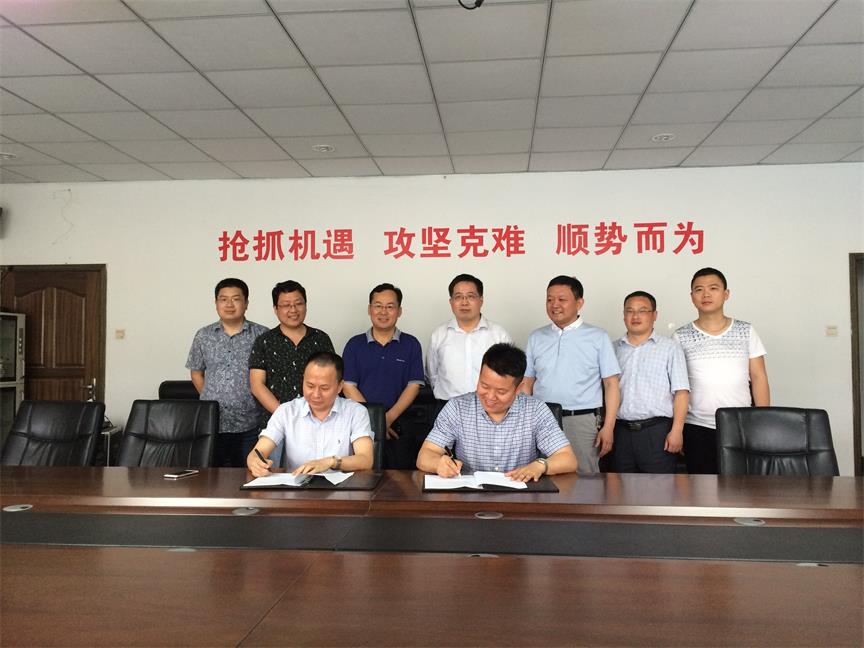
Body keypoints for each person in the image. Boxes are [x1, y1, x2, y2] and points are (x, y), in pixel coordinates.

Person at [417, 343, 577, 481]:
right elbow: (425, 455)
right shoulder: (457, 408)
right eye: (484, 386)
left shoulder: (536, 411)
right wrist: (438, 464)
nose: (490, 397)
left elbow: (568, 459)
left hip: (521, 497)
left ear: (518, 388)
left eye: (501, 391)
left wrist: (541, 465)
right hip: (470, 497)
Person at [521, 275, 621, 475]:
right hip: (542, 419)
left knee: (584, 478)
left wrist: (609, 427)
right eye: (550, 299)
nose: (554, 305)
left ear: (579, 303)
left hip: (581, 420)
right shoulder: (536, 337)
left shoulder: (598, 337)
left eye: (562, 299)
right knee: (542, 474)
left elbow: (611, 385)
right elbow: (526, 383)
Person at [674, 267, 770, 474]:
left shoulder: (746, 330)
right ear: (692, 297)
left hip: (741, 423)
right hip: (697, 425)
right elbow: (677, 386)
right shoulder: (680, 336)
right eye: (699, 289)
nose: (706, 294)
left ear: (726, 294)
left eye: (713, 288)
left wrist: (762, 420)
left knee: (742, 487)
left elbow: (758, 376)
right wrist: (677, 428)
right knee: (702, 487)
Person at [246, 352, 373, 476]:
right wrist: (255, 463)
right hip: (296, 486)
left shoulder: (356, 412)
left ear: (340, 387)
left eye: (324, 388)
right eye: (310, 386)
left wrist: (330, 462)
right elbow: (258, 451)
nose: (316, 394)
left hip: (342, 487)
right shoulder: (286, 411)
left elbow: (366, 459)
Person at [341, 283, 425, 468]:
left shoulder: (411, 344)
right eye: (378, 306)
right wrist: (374, 421)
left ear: (399, 311)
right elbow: (348, 387)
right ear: (369, 309)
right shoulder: (354, 345)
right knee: (363, 477)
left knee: (401, 480)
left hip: (399, 426)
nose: (383, 312)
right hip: (361, 426)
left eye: (390, 306)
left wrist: (386, 420)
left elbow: (413, 386)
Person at [249, 280, 334, 463]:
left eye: (298, 303)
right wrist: (286, 417)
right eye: (286, 305)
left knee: (319, 473)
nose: (293, 310)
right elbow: (257, 385)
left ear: (305, 305)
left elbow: (332, 379)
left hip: (317, 423)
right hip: (275, 426)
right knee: (274, 476)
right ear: (275, 309)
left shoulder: (321, 339)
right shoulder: (264, 341)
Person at [185, 278, 267, 467]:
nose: (229, 304)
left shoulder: (262, 335)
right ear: (216, 303)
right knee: (212, 476)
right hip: (213, 422)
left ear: (246, 303)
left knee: (249, 473)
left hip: (250, 422)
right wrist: (212, 397)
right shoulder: (203, 335)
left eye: (236, 299)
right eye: (223, 299)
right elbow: (196, 372)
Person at [613, 291, 689, 473]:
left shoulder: (670, 348)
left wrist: (677, 431)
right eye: (630, 311)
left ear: (654, 315)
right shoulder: (612, 348)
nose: (635, 316)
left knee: (659, 487)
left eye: (642, 311)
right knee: (619, 486)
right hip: (620, 432)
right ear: (623, 315)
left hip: (657, 432)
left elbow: (681, 392)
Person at [426, 273, 512, 401]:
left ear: (481, 300)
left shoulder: (499, 334)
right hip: (446, 406)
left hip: (489, 405)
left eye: (470, 296)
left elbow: (509, 376)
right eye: (458, 297)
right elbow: (432, 376)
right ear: (451, 302)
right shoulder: (438, 335)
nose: (464, 302)